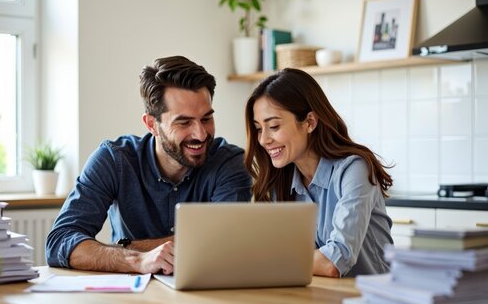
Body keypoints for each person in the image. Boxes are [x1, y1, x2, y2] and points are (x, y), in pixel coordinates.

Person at [46, 56, 252, 274]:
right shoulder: (114, 160)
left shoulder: (229, 163)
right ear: (152, 124)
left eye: (206, 119)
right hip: (131, 297)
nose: (200, 134)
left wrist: (128, 246)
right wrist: (138, 260)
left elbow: (226, 244)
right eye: (184, 122)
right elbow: (60, 241)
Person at [244, 68, 393, 278]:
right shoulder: (282, 182)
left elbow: (334, 262)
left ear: (310, 122)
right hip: (320, 298)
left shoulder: (354, 169)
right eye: (259, 129)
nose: (263, 140)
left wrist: (265, 260)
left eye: (274, 126)